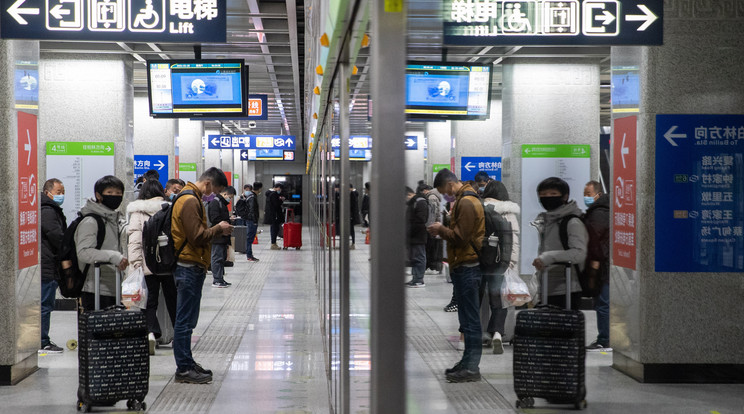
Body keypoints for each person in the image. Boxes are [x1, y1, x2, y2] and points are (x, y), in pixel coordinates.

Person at [171, 167, 233, 384]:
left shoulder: (192, 197)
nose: (214, 194)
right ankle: (184, 368)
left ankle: (187, 362)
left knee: (188, 319)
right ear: (207, 183)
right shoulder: (189, 200)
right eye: (215, 190)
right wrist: (218, 228)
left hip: (192, 265)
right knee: (185, 320)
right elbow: (197, 236)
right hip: (187, 266)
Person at [428, 168, 485, 383]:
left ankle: (472, 367)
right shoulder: (463, 199)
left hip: (469, 266)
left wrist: (440, 229)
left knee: (470, 320)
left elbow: (460, 238)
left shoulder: (468, 202)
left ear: (451, 184)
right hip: (463, 265)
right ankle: (467, 362)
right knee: (466, 319)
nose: (445, 195)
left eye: (444, 191)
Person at [126, 179, 176, 355]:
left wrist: (136, 263)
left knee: (149, 301)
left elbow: (134, 240)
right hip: (169, 263)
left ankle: (149, 335)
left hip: (148, 264)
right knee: (173, 300)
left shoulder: (138, 212)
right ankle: (179, 335)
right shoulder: (169, 209)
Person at [531, 177, 588, 310]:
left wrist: (547, 258)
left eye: (553, 194)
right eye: (543, 195)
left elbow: (579, 253)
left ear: (565, 196)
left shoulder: (572, 222)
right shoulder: (547, 220)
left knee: (565, 328)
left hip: (567, 287)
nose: (547, 198)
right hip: (547, 285)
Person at [76, 175, 129, 312]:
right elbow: (84, 252)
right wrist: (114, 257)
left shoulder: (115, 219)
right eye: (110, 193)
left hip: (113, 285)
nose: (115, 196)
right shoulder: (91, 221)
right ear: (98, 195)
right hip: (95, 288)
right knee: (97, 331)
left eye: (118, 193)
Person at [480, 180, 520, 355]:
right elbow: (514, 240)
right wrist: (511, 263)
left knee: (478, 299)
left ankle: (479, 334)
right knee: (499, 300)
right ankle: (497, 333)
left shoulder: (479, 209)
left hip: (479, 262)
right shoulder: (509, 212)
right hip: (501, 263)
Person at [583, 180, 611, 351]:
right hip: (603, 263)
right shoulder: (599, 211)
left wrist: (594, 261)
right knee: (602, 302)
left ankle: (605, 339)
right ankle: (605, 337)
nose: (586, 197)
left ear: (598, 195)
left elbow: (594, 239)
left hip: (602, 265)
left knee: (602, 302)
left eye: (588, 194)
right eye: (584, 194)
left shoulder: (599, 213)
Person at [39, 178, 67, 354]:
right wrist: (67, 248)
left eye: (63, 192)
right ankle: (42, 341)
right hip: (48, 264)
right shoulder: (48, 211)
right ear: (48, 192)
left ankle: (42, 339)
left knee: (45, 303)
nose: (62, 195)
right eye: (58, 192)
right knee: (44, 304)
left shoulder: (47, 208)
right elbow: (55, 235)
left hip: (47, 263)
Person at [208, 185, 236, 288]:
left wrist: (228, 220)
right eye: (230, 196)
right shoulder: (216, 203)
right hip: (218, 235)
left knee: (221, 257)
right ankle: (217, 280)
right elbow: (214, 219)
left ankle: (220, 278)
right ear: (224, 194)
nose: (230, 199)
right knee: (217, 257)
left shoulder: (222, 203)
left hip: (223, 235)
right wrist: (225, 224)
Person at [406, 186, 429, 287]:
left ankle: (419, 280)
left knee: (419, 257)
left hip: (418, 235)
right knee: (415, 258)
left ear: (408, 195)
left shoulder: (420, 202)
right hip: (413, 235)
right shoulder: (414, 202)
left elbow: (421, 220)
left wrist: (410, 230)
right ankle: (415, 279)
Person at [419, 181, 443, 274]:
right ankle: (434, 266)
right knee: (434, 247)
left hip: (433, 226)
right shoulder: (435, 196)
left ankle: (432, 267)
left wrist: (430, 227)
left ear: (425, 190)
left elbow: (432, 213)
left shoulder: (431, 197)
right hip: (436, 225)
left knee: (432, 247)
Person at [335, 183, 361, 249]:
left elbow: (353, 206)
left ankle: (353, 243)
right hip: (343, 215)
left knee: (351, 229)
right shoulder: (341, 195)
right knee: (343, 229)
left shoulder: (352, 194)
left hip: (350, 215)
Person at [243, 182, 262, 261]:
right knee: (250, 238)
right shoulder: (252, 197)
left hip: (250, 219)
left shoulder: (250, 196)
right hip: (251, 220)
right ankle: (249, 255)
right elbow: (252, 210)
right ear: (259, 189)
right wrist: (254, 221)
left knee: (250, 238)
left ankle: (249, 254)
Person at [264, 182, 285, 250]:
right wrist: (281, 200)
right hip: (275, 215)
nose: (280, 191)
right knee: (274, 229)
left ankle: (274, 243)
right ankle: (273, 244)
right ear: (278, 188)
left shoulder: (269, 193)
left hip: (272, 215)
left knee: (274, 228)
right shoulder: (273, 194)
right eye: (280, 189)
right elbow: (276, 204)